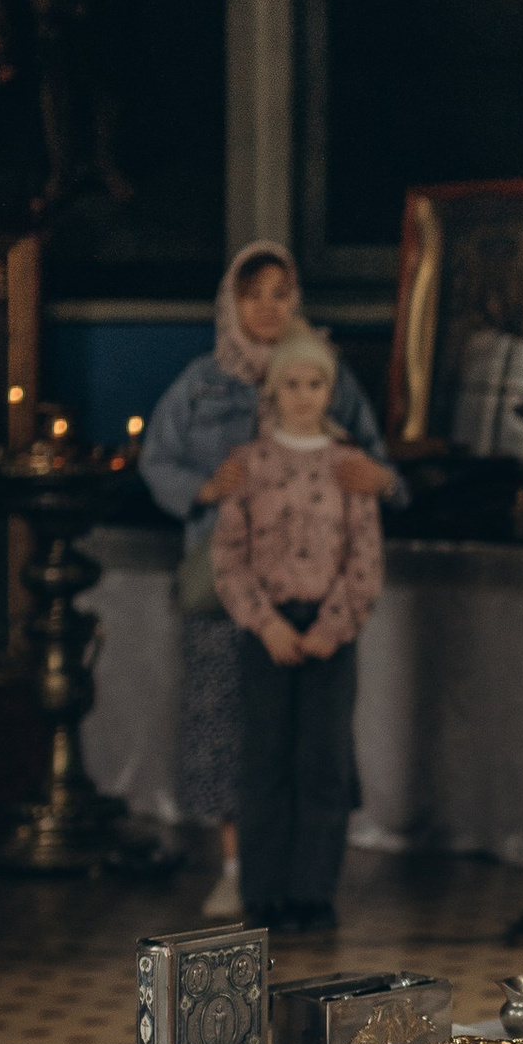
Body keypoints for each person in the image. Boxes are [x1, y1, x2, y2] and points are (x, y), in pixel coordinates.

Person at [138, 239, 393, 921]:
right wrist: (204, 488)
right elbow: (156, 458)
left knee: (312, 740)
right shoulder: (202, 380)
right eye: (255, 293)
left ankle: (304, 881)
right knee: (232, 732)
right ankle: (239, 868)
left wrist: (379, 480)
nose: (269, 306)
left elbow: (368, 464)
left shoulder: (324, 371)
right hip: (228, 580)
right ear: (234, 301)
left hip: (316, 593)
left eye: (281, 293)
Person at [209, 327, 385, 936]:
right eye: (292, 383)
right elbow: (228, 556)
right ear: (274, 390)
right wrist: (265, 623)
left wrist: (333, 625)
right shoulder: (251, 465)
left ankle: (313, 892)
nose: (303, 395)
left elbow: (364, 557)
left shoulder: (347, 466)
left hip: (328, 631)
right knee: (266, 759)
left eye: (315, 384)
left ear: (329, 391)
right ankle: (264, 891)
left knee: (323, 760)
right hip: (269, 631)